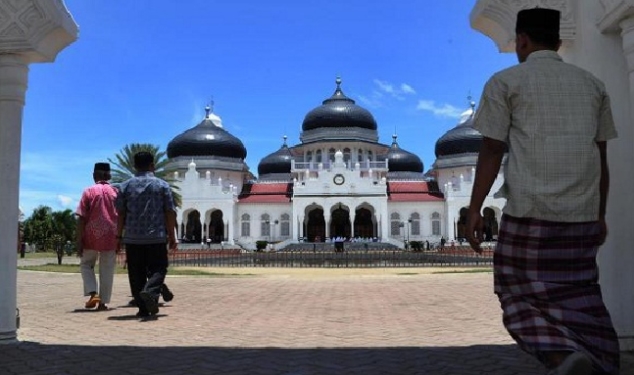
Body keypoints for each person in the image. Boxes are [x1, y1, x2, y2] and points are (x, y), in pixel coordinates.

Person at [465, 8, 620, 375]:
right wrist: (600, 214)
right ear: (559, 40)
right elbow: (601, 156)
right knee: (582, 292)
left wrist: (475, 208)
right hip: (580, 212)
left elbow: (491, 148)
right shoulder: (593, 85)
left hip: (529, 211)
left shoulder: (506, 82)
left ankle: (561, 356)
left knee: (517, 292)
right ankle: (600, 358)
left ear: (521, 40)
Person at [116, 151, 177, 319]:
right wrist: (172, 235)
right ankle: (150, 292)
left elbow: (120, 214)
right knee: (158, 268)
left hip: (132, 237)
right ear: (153, 165)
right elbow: (169, 212)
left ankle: (143, 308)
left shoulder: (125, 186)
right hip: (156, 236)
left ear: (135, 166)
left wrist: (118, 237)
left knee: (136, 273)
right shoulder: (162, 185)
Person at [76, 162, 119, 311]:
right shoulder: (115, 192)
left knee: (86, 264)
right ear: (109, 176)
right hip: (111, 236)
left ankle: (93, 293)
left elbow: (81, 217)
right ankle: (103, 303)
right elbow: (122, 216)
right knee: (107, 269)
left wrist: (79, 239)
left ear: (94, 175)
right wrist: (120, 237)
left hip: (91, 236)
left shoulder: (89, 191)